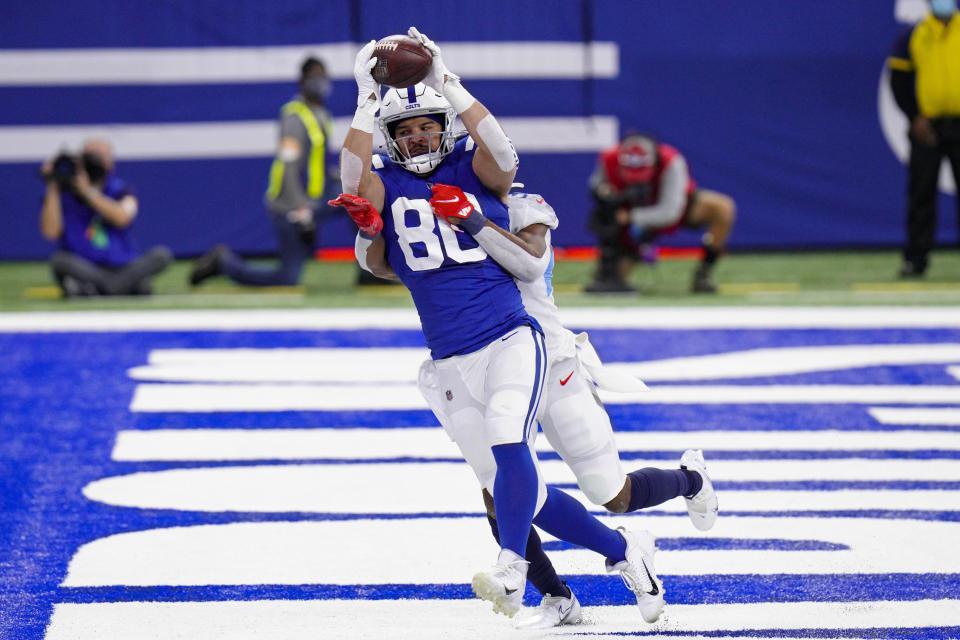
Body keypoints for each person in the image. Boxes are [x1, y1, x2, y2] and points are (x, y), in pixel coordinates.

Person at [329, 28, 666, 625]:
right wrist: (362, 97)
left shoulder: (480, 173)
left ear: (445, 127)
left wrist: (447, 83)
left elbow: (505, 161)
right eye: (405, 130)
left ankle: (514, 566)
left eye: (427, 125)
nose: (418, 136)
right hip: (451, 356)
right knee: (512, 490)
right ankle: (618, 555)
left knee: (526, 450)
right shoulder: (390, 184)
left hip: (517, 337)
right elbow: (356, 194)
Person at [419, 188, 719, 629]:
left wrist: (471, 220)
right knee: (500, 494)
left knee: (611, 494)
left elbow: (532, 259)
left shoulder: (521, 205)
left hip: (549, 360)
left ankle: (690, 479)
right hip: (479, 365)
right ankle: (558, 597)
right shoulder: (425, 208)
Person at [189, 56, 339, 287]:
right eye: (314, 76)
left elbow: (315, 166)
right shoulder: (295, 117)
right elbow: (288, 166)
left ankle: (372, 271)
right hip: (291, 204)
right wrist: (300, 209)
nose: (320, 81)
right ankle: (224, 263)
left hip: (316, 200)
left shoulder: (321, 115)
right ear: (302, 81)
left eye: (323, 75)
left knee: (360, 199)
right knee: (288, 278)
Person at [584, 133, 736, 294]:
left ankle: (703, 274)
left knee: (722, 208)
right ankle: (609, 267)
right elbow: (595, 186)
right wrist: (605, 194)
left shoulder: (671, 161)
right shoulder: (608, 158)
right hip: (628, 221)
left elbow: (671, 212)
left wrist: (632, 217)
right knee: (612, 281)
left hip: (664, 211)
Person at [39, 138, 172, 297]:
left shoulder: (121, 190)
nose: (93, 161)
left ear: (111, 163)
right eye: (88, 156)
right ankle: (123, 286)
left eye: (99, 156)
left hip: (121, 264)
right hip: (85, 266)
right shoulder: (63, 193)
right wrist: (53, 183)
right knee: (59, 261)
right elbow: (50, 232)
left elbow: (122, 218)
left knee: (161, 255)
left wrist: (88, 193)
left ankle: (100, 288)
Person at [888, 0, 960, 278]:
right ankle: (915, 259)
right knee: (921, 194)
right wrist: (914, 115)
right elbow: (899, 80)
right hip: (927, 127)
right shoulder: (914, 35)